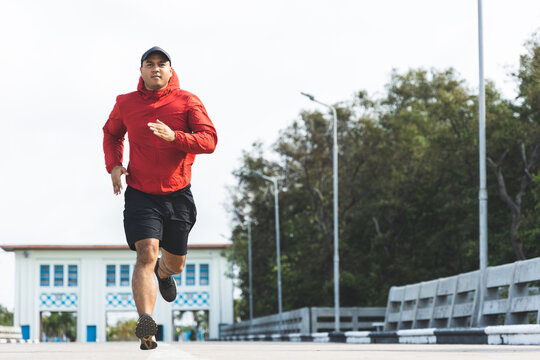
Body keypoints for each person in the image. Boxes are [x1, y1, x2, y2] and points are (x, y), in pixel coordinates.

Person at [102, 46, 217, 350]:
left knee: (174, 263)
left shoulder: (187, 101)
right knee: (145, 254)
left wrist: (176, 137)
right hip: (141, 194)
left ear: (169, 70)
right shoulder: (125, 103)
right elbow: (112, 133)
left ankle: (164, 274)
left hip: (178, 194)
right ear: (140, 71)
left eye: (161, 64)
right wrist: (114, 165)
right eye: (148, 64)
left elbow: (209, 140)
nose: (155, 69)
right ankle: (147, 325)